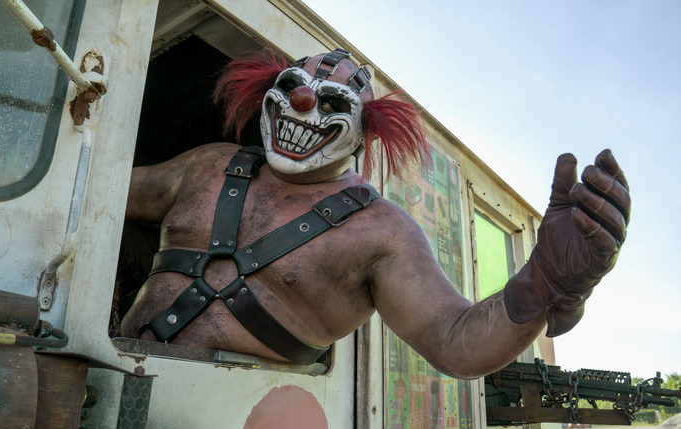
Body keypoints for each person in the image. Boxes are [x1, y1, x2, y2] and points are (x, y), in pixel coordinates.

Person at [120, 49, 630, 379]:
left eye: (332, 100)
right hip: (99, 379)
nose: (302, 102)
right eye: (295, 84)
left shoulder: (383, 233)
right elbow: (95, 185)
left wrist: (542, 280)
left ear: (364, 133)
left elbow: (455, 342)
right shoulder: (206, 165)